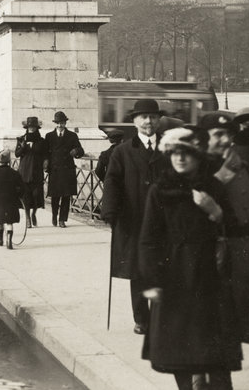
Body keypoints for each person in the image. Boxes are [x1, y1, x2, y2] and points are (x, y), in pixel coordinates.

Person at [139, 126, 242, 389]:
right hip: (174, 278)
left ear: (198, 155)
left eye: (186, 153)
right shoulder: (160, 190)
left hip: (210, 277)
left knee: (214, 356)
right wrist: (152, 281)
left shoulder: (213, 187)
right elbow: (149, 240)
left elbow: (236, 228)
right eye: (175, 153)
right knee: (180, 355)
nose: (180, 158)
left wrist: (215, 210)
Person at [200, 111, 249, 347]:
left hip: (241, 255)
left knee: (234, 331)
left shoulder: (243, 168)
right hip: (205, 256)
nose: (225, 140)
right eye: (218, 134)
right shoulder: (191, 168)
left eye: (229, 135)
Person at [101, 98, 169, 335]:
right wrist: (110, 211)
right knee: (138, 271)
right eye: (143, 117)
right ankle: (142, 319)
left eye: (153, 117)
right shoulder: (122, 151)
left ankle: (161, 318)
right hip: (135, 220)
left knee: (163, 269)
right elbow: (112, 182)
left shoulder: (169, 148)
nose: (148, 121)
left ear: (159, 120)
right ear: (135, 121)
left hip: (164, 222)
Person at [45, 111, 84, 227]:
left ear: (65, 123)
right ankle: (54, 215)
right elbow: (45, 153)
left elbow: (81, 150)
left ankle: (62, 219)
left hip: (67, 169)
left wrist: (76, 151)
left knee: (66, 196)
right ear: (55, 124)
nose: (60, 125)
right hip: (55, 170)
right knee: (55, 196)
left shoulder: (72, 136)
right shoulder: (49, 136)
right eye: (58, 123)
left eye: (62, 123)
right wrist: (45, 162)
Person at [0, 149, 26, 249]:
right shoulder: (15, 173)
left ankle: (0, 240)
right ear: (9, 161)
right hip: (11, 201)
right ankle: (9, 241)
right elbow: (22, 188)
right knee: (9, 222)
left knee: (0, 221)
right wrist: (18, 196)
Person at [15, 116, 48, 227]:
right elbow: (17, 154)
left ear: (37, 128)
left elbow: (45, 154)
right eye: (30, 127)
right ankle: (28, 218)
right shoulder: (21, 139)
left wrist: (46, 162)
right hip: (24, 170)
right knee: (26, 196)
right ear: (27, 128)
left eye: (34, 127)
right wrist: (23, 147)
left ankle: (34, 213)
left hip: (36, 170)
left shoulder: (41, 141)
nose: (32, 129)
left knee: (36, 195)